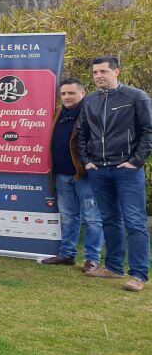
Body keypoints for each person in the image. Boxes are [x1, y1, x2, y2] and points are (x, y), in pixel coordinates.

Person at [77, 56, 152, 292]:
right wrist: (87, 162)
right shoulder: (90, 100)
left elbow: (147, 131)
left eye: (103, 72)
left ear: (116, 72)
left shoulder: (135, 97)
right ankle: (113, 267)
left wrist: (135, 161)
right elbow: (82, 134)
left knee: (135, 221)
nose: (98, 76)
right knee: (109, 219)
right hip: (99, 170)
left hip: (126, 171)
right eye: (95, 73)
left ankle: (139, 274)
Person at [40, 79, 103, 271]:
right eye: (63, 94)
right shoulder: (60, 112)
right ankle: (67, 254)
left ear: (82, 94)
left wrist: (91, 165)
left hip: (84, 175)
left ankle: (93, 259)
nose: (67, 97)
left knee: (92, 218)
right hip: (62, 174)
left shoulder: (91, 112)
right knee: (68, 216)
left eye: (71, 93)